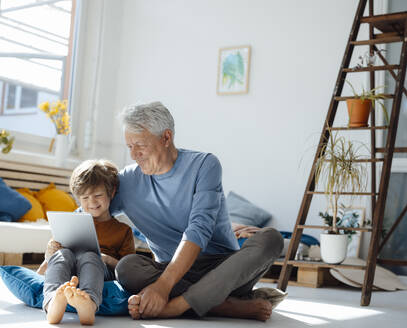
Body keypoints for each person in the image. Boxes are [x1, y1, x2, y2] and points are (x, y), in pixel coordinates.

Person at [112, 101, 285, 321]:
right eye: (129, 147)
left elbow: (198, 229)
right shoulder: (127, 180)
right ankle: (224, 306)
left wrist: (163, 287)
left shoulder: (204, 165)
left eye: (140, 145)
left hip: (221, 269)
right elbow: (92, 209)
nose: (134, 155)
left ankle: (177, 307)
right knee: (127, 267)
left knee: (271, 238)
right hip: (168, 268)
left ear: (166, 138)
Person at [38, 159, 135, 325]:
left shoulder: (123, 230)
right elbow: (44, 270)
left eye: (98, 195)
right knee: (63, 253)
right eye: (85, 198)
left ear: (111, 193)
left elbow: (129, 268)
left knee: (90, 256)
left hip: (98, 271)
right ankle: (53, 302)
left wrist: (107, 259)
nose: (92, 202)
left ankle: (88, 304)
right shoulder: (72, 223)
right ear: (78, 199)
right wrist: (50, 254)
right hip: (71, 269)